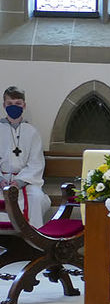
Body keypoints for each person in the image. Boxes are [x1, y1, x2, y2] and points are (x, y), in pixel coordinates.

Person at [0, 87, 52, 228]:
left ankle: (32, 240)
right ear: (4, 105)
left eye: (18, 103)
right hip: (2, 182)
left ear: (24, 105)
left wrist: (18, 182)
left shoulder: (32, 132)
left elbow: (36, 163)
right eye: (10, 103)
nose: (13, 107)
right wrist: (2, 180)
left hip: (26, 182)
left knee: (36, 198)